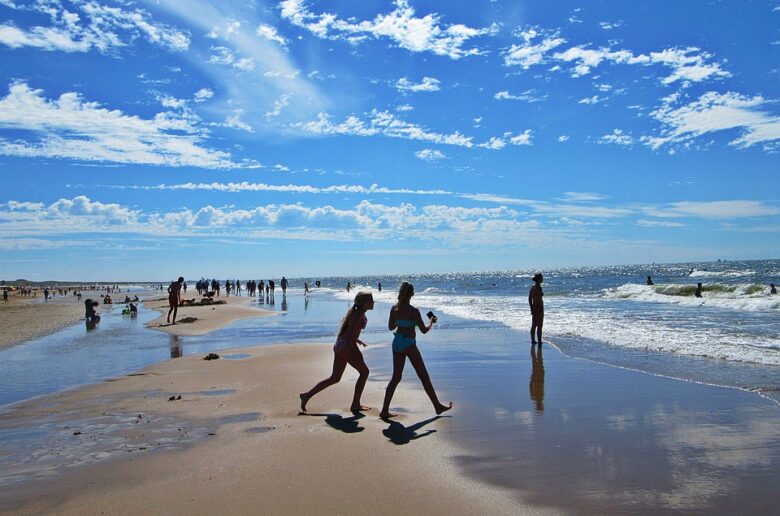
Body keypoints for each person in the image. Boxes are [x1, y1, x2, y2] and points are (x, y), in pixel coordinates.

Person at [379, 282, 452, 419]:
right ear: (412, 294)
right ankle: (437, 406)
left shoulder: (394, 308)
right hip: (409, 343)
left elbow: (390, 327)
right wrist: (431, 322)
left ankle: (384, 410)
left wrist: (400, 321)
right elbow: (423, 331)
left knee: (396, 378)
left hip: (397, 343)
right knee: (424, 376)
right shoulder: (414, 311)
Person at [300, 292, 374, 413]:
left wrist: (358, 340)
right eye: (370, 300)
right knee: (364, 372)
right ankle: (355, 404)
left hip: (340, 344)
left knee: (335, 377)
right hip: (346, 346)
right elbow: (350, 336)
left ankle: (307, 395)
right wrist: (358, 353)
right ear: (363, 303)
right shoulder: (359, 314)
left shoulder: (356, 313)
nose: (373, 302)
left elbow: (350, 333)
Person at [529, 273, 544, 345]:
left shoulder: (532, 288)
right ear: (539, 279)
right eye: (541, 278)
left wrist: (531, 308)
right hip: (539, 308)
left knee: (534, 325)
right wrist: (538, 308)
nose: (542, 279)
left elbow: (530, 298)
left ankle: (533, 340)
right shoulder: (539, 288)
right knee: (540, 326)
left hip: (534, 307)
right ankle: (539, 341)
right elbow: (538, 299)